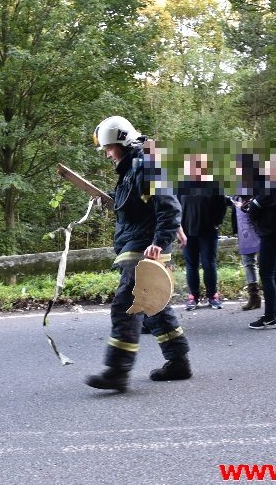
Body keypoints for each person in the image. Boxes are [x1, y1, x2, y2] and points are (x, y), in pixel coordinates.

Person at [85, 116, 192, 392]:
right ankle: (178, 361)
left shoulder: (144, 166)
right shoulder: (131, 171)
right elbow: (135, 206)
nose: (107, 154)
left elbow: (168, 207)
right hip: (138, 243)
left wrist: (159, 241)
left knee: (128, 304)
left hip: (144, 247)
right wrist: (107, 199)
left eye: (109, 148)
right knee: (154, 306)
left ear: (120, 142)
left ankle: (117, 371)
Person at [241, 154, 276, 329]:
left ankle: (269, 318)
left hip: (273, 235)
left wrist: (248, 206)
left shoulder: (270, 187)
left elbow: (253, 210)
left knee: (266, 275)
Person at [177, 153, 228, 310]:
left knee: (208, 264)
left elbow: (222, 205)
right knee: (191, 265)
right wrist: (178, 230)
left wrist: (216, 223)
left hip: (208, 231)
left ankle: (212, 295)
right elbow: (176, 207)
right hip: (187, 232)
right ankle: (193, 296)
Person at [230, 195, 261, 310]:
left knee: (269, 263)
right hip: (243, 229)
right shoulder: (236, 194)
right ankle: (254, 297)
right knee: (248, 263)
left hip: (261, 227)